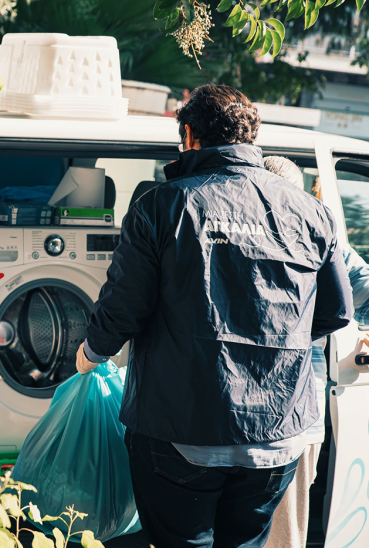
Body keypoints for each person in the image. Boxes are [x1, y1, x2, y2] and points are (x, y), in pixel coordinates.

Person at [75, 83, 354, 547]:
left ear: (188, 135)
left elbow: (124, 310)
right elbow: (335, 312)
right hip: (275, 432)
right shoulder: (312, 213)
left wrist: (88, 356)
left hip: (179, 430)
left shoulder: (161, 206)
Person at [263, 156, 369, 547]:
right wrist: (305, 334)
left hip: (220, 406)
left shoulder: (214, 225)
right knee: (284, 523)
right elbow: (351, 298)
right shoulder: (319, 229)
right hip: (296, 402)